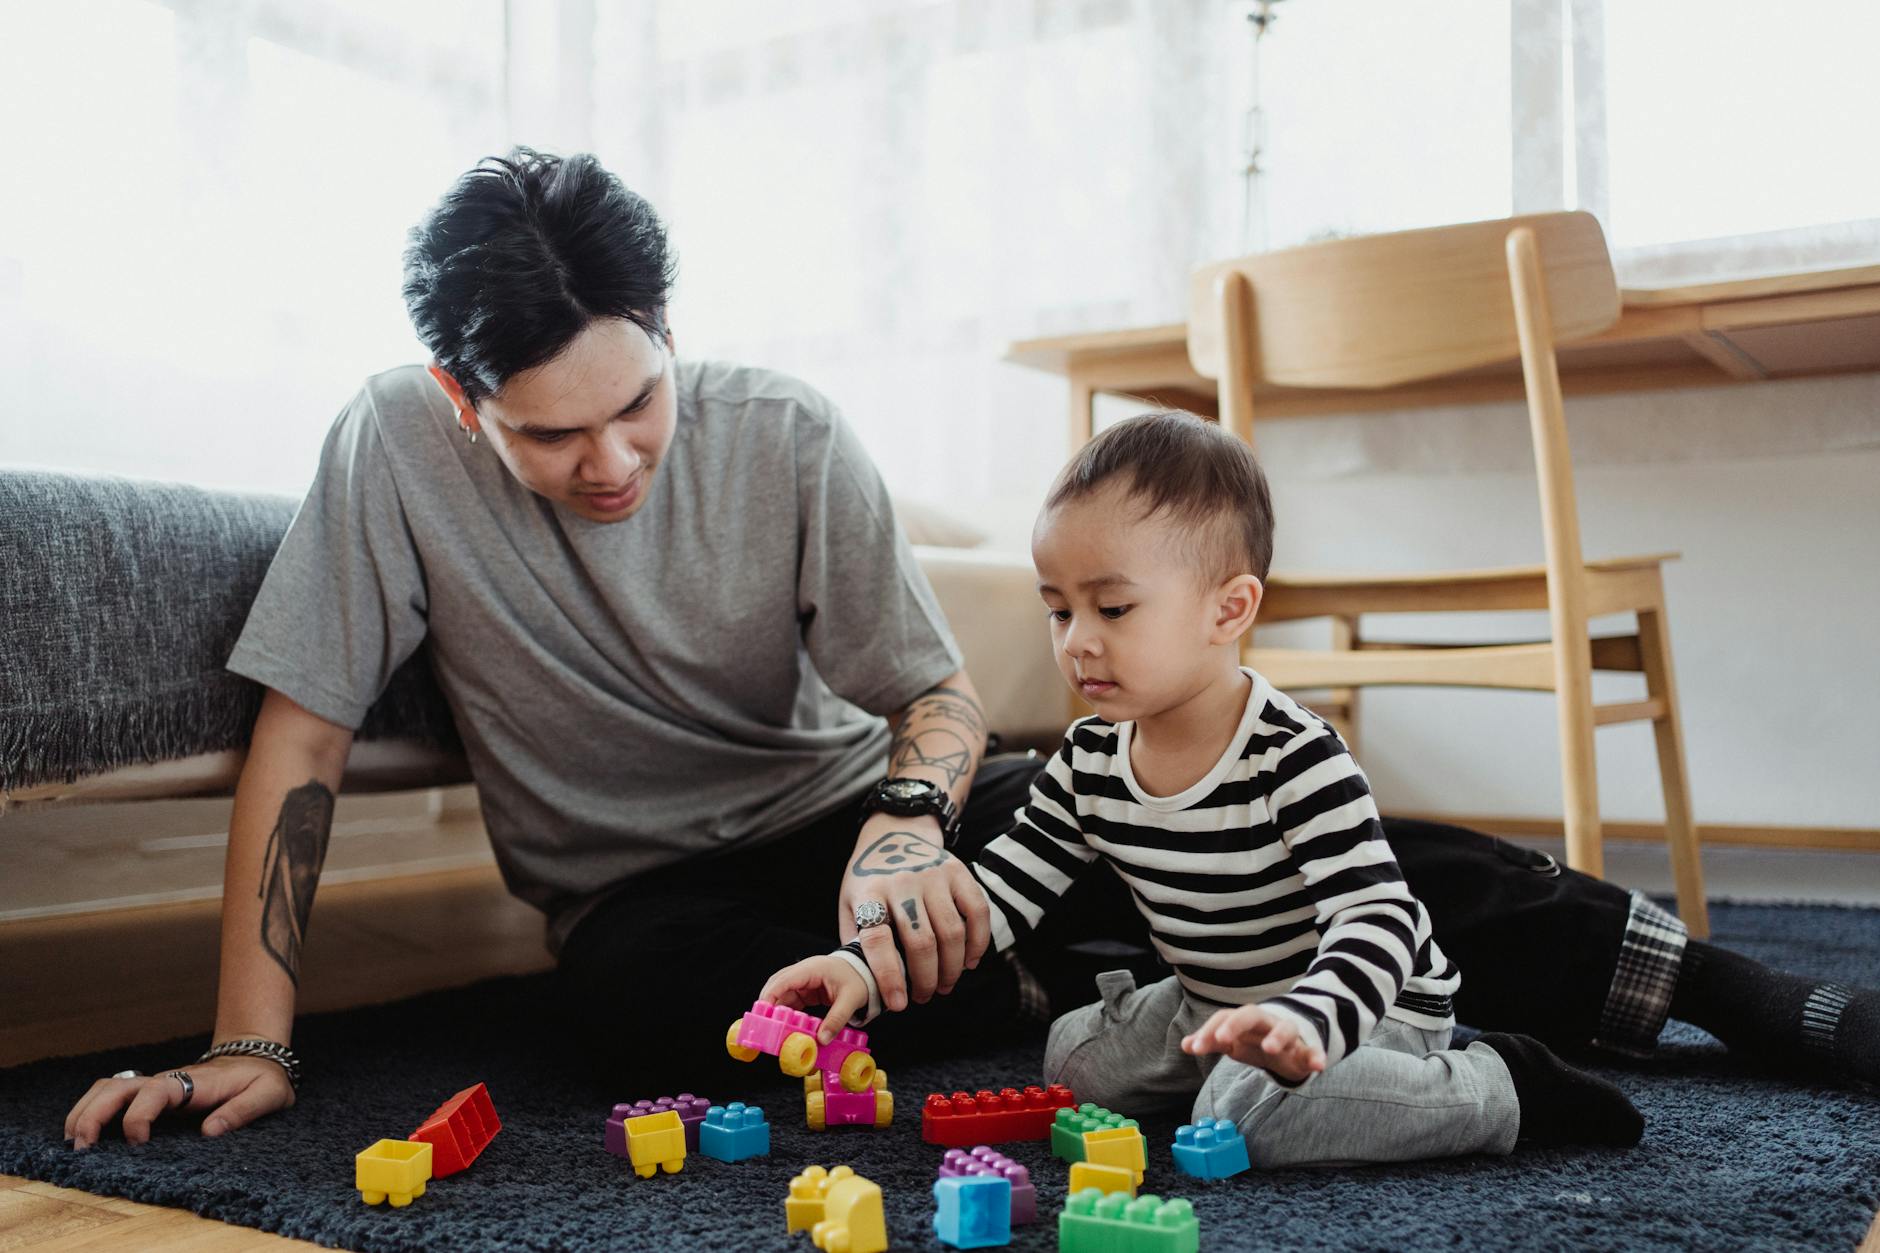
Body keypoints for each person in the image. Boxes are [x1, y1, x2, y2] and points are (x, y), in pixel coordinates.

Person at [61, 149, 1875, 1152]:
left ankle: (1697, 981)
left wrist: (910, 826)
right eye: (553, 435)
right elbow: (300, 740)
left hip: (871, 820)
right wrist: (251, 1040)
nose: (612, 462)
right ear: (461, 400)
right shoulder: (389, 449)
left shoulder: (784, 433)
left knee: (1245, 817)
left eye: (639, 404)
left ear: (672, 336)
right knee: (620, 1019)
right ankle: (1065, 979)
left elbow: (931, 694)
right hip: (651, 898)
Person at [764, 413, 1651, 1165]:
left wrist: (1311, 1019)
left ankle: (1499, 1086)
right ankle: (1235, 1059)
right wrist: (859, 970)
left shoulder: (1293, 755)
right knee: (1073, 1059)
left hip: (1363, 1006)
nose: (1076, 640)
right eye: (1058, 608)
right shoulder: (1088, 760)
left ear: (1229, 609)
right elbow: (995, 898)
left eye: (1112, 609)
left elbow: (1379, 919)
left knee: (1245, 1112)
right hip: (1212, 998)